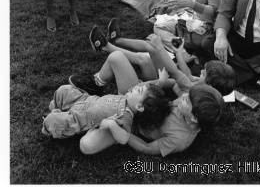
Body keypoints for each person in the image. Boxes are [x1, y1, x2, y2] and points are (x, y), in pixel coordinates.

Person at [72, 34, 225, 156]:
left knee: (86, 146)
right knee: (116, 57)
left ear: (194, 118)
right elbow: (174, 80)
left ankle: (93, 115)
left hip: (129, 125)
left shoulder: (179, 139)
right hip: (135, 100)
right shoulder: (193, 99)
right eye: (187, 94)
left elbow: (146, 147)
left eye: (187, 99)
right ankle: (97, 84)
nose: (184, 96)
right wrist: (159, 82)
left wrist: (118, 129)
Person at [87, 19, 235, 96]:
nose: (201, 71)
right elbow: (187, 74)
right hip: (161, 82)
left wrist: (159, 47)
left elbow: (176, 72)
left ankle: (106, 47)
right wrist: (178, 52)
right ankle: (115, 41)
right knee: (148, 51)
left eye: (204, 72)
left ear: (209, 84)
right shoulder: (200, 85)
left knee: (145, 55)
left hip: (154, 89)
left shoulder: (192, 89)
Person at [42, 57, 171, 145]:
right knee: (64, 90)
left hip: (80, 119)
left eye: (139, 91)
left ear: (139, 106)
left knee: (54, 120)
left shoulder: (126, 115)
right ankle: (57, 107)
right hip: (86, 99)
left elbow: (124, 138)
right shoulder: (129, 98)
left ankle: (49, 125)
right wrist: (160, 83)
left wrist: (111, 125)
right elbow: (146, 90)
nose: (137, 87)